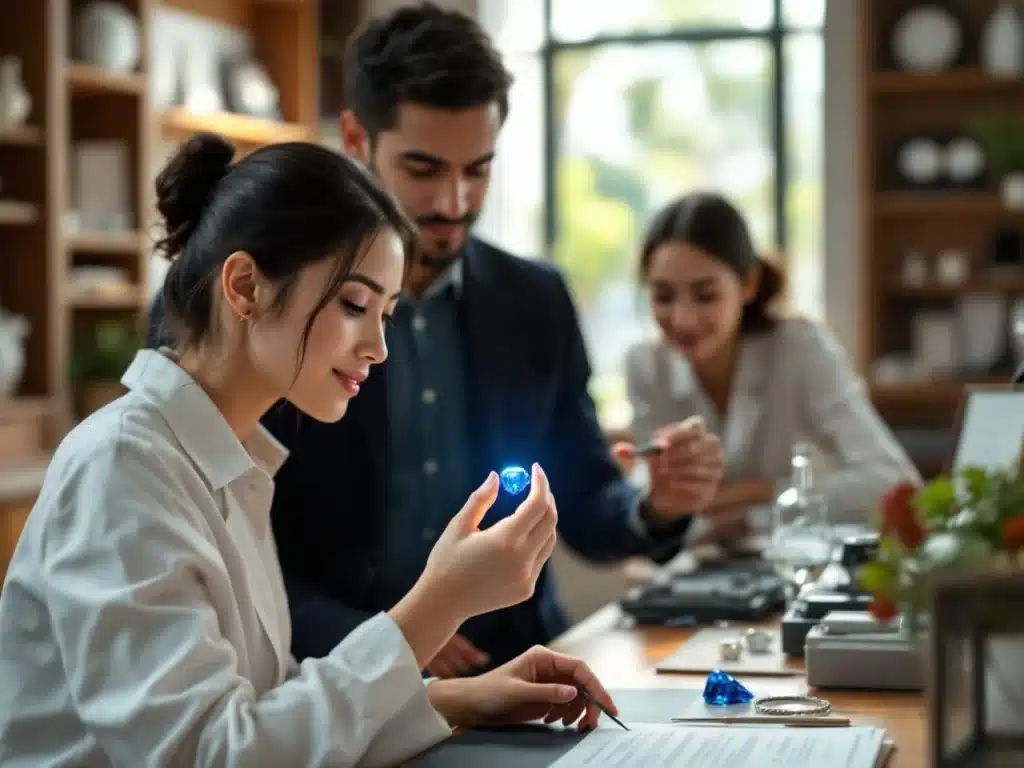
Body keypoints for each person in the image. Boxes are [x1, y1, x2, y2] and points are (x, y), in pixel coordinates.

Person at [0, 134, 620, 767]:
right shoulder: (123, 468)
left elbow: (271, 714)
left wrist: (457, 700)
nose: (379, 348)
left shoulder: (229, 459)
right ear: (244, 287)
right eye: (354, 304)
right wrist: (441, 602)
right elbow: (211, 755)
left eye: (386, 313)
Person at [148, 3, 724, 677]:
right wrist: (394, 636)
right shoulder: (253, 307)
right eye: (424, 170)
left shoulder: (535, 301)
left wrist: (656, 505)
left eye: (478, 170)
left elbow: (584, 496)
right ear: (357, 139)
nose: (454, 202)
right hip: (320, 675)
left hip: (518, 669)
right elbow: (224, 547)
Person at [620, 192, 920, 546]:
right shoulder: (645, 366)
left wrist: (755, 506)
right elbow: (657, 504)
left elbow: (894, 482)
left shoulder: (800, 349)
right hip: (696, 574)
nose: (683, 319)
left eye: (705, 295)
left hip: (791, 560)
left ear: (749, 284)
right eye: (664, 297)